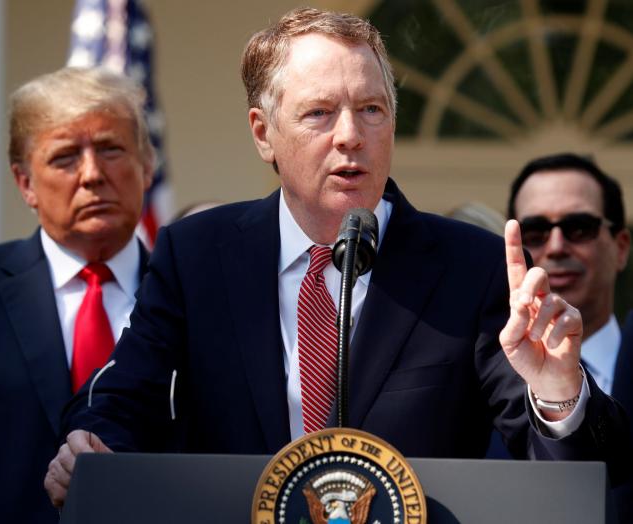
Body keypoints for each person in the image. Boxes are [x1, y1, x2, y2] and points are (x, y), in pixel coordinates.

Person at [45, 8, 631, 509]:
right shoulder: (197, 255)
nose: (351, 135)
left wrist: (558, 394)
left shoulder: (470, 267)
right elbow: (120, 399)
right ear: (263, 133)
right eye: (319, 113)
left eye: (372, 110)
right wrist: (90, 446)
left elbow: (562, 469)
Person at [0, 67, 154, 523]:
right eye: (66, 157)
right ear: (25, 182)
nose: (92, 174)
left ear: (146, 166)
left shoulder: (196, 296)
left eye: (111, 149)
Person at [507, 152, 633, 521]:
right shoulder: (477, 375)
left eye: (579, 227)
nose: (557, 246)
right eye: (535, 232)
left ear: (621, 247)